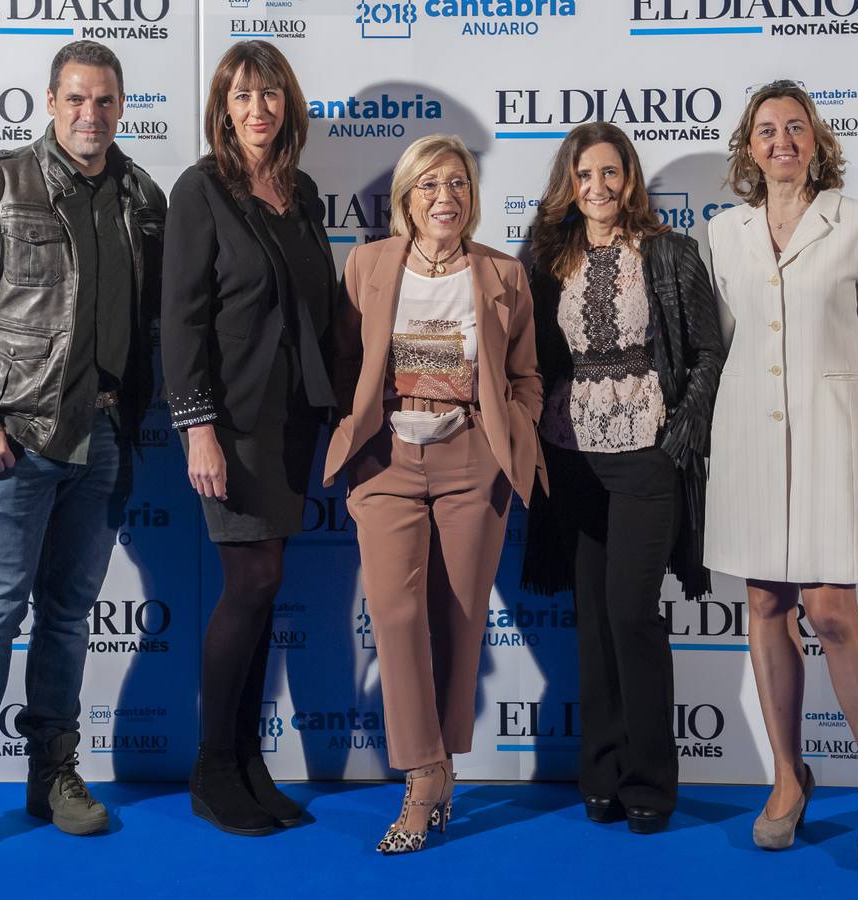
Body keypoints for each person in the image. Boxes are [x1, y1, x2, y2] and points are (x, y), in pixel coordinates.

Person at [0, 40, 166, 874]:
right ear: (50, 103)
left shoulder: (143, 198)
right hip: (15, 440)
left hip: (103, 442)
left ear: (121, 107)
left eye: (105, 102)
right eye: (75, 100)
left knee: (65, 618)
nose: (90, 115)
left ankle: (52, 771)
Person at [323, 134, 545, 854]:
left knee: (459, 619)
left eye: (457, 184)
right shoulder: (367, 264)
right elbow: (345, 363)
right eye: (429, 185)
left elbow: (527, 375)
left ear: (472, 198)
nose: (444, 197)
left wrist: (510, 432)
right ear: (406, 199)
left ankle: (442, 764)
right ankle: (423, 776)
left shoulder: (504, 274)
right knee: (393, 613)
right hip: (388, 459)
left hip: (470, 459)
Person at [704, 79, 858, 868]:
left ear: (817, 140)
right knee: (763, 600)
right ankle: (787, 777)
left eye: (795, 127)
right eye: (766, 129)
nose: (781, 140)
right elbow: (729, 343)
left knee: (829, 609)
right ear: (748, 148)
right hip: (748, 438)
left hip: (834, 440)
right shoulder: (724, 234)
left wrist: (854, 434)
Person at [521, 122, 724, 835]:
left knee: (633, 615)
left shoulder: (670, 253)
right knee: (594, 624)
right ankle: (600, 776)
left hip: (646, 453)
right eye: (584, 176)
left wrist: (678, 437)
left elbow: (706, 351)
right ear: (568, 185)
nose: (598, 188)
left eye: (611, 173)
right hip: (571, 458)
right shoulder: (547, 255)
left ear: (629, 178)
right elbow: (531, 357)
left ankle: (651, 782)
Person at [160, 40, 336, 837]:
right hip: (230, 424)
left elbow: (323, 310)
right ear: (222, 110)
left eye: (268, 94)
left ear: (286, 104)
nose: (256, 109)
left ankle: (248, 761)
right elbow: (182, 318)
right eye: (240, 96)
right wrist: (197, 428)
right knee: (251, 583)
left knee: (265, 590)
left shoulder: (301, 195)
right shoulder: (200, 191)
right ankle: (211, 768)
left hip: (293, 419)